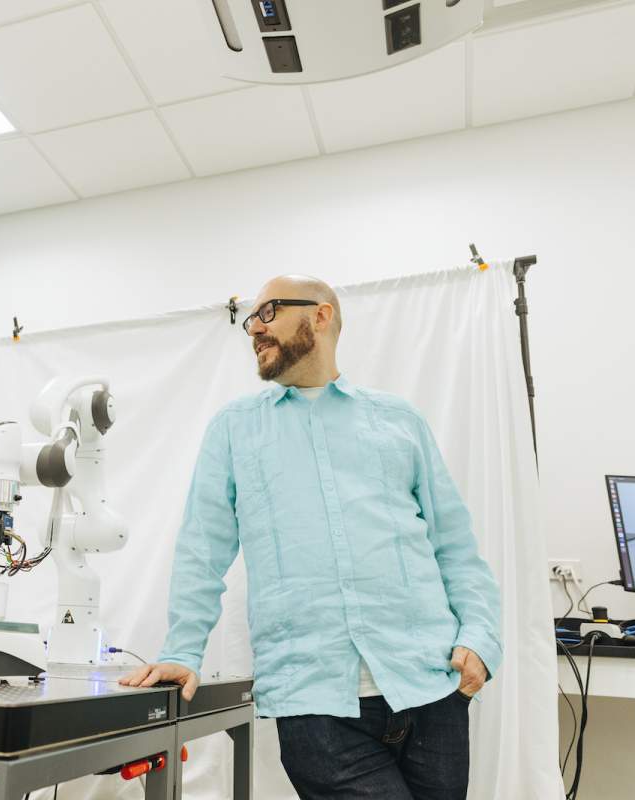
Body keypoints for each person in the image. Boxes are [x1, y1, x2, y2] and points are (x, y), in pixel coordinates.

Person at [120, 274, 503, 799]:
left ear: (321, 316)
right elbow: (201, 550)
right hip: (316, 707)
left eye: (268, 312)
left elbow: (455, 547)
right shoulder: (235, 429)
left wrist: (480, 637)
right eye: (251, 320)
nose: (254, 328)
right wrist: (183, 650)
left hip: (431, 689)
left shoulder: (398, 420)